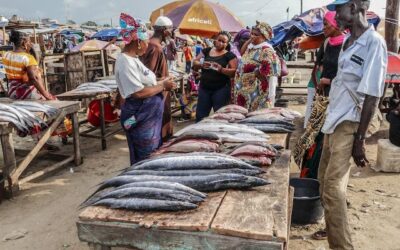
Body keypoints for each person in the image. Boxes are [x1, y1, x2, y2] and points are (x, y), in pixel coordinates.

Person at [315, 1, 388, 249]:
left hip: (350, 123)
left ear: (355, 6)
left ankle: (342, 246)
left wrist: (360, 140)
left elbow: (373, 95)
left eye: (339, 9)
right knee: (323, 182)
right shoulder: (347, 41)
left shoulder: (374, 43)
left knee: (333, 190)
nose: (336, 15)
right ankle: (333, 228)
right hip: (333, 121)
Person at [115, 13, 176, 165]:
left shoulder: (134, 59)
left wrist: (161, 80)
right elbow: (138, 92)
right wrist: (163, 86)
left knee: (151, 152)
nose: (148, 44)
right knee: (145, 156)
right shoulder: (125, 62)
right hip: (138, 115)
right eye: (145, 41)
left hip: (146, 115)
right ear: (138, 42)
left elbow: (146, 80)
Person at [299, 11, 346, 180]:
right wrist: (318, 83)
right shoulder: (326, 43)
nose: (323, 27)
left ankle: (324, 178)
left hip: (339, 100)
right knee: (312, 138)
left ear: (337, 24)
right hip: (323, 99)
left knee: (329, 140)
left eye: (326, 24)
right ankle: (311, 176)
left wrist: (329, 81)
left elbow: (350, 76)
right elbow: (318, 66)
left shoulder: (348, 45)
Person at [234, 21, 281, 111]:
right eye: (251, 33)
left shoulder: (266, 50)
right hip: (244, 91)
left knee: (254, 118)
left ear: (264, 37)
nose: (252, 36)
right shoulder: (252, 48)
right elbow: (241, 53)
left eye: (256, 34)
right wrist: (250, 40)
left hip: (256, 93)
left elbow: (272, 70)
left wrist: (256, 73)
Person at [140, 16, 174, 141]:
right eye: (170, 29)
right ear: (165, 31)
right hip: (157, 95)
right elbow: (148, 76)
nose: (172, 32)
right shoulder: (155, 47)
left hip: (157, 92)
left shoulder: (151, 44)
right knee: (159, 129)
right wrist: (165, 81)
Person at [193, 31, 237, 122]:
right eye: (219, 40)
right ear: (215, 40)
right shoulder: (207, 51)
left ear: (227, 43)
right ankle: (200, 134)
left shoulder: (230, 55)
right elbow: (195, 62)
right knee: (200, 115)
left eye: (223, 42)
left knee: (220, 116)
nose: (220, 43)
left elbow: (234, 72)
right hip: (204, 88)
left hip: (221, 89)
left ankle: (219, 134)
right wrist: (202, 64)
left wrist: (221, 69)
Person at [4, 30, 55, 100]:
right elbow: (34, 79)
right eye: (29, 41)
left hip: (12, 93)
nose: (31, 44)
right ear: (24, 42)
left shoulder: (6, 54)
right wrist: (47, 95)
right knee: (52, 101)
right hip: (26, 93)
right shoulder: (28, 58)